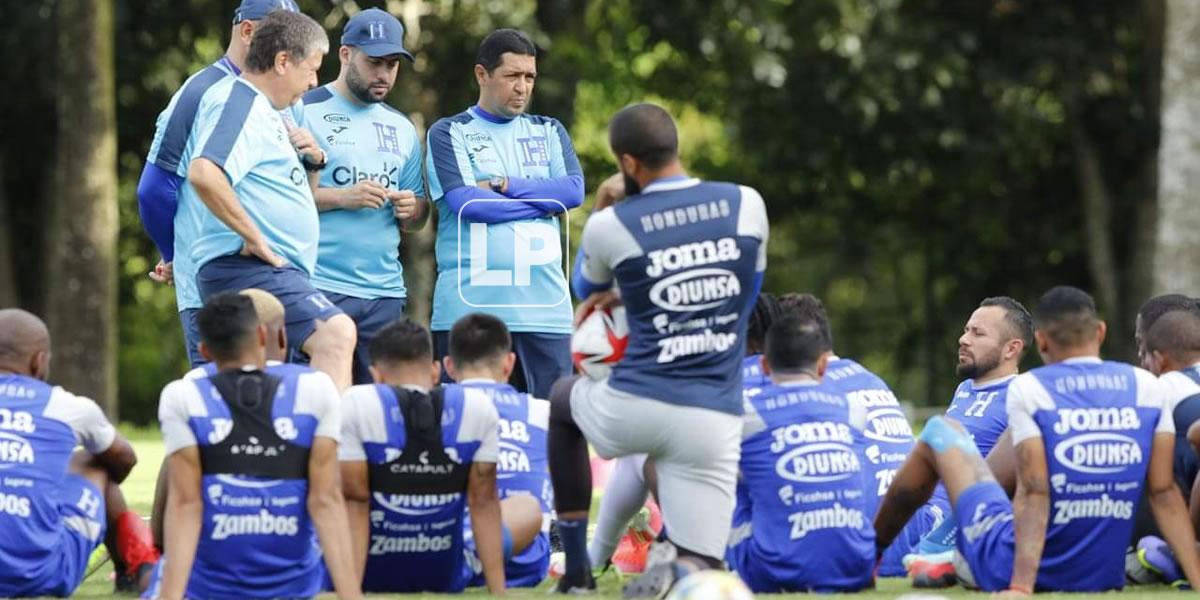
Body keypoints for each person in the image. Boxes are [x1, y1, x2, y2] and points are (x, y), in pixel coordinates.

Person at [551, 102, 768, 596]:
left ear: (628, 163)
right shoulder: (747, 204)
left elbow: (586, 284)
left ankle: (579, 570)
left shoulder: (614, 223)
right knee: (707, 567)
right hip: (713, 415)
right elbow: (744, 300)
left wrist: (609, 207)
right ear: (676, 148)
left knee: (563, 401)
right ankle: (682, 569)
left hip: (637, 403)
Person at [873, 286, 1200, 593]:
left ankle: (876, 555)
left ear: (1040, 341)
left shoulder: (1032, 389)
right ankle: (945, 557)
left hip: (1017, 564)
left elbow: (1034, 491)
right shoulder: (1145, 386)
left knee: (939, 430)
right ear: (1099, 332)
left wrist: (1020, 587)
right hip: (1102, 571)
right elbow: (1164, 494)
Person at [186, 10, 359, 391]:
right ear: (283, 61)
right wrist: (254, 235)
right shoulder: (241, 101)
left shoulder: (269, 113)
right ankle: (333, 451)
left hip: (273, 271)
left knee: (274, 387)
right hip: (247, 267)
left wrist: (312, 162)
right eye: (312, 69)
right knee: (336, 333)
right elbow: (204, 173)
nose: (314, 81)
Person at [150, 293, 361, 600]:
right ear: (265, 335)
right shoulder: (316, 388)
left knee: (151, 578)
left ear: (205, 351)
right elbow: (325, 500)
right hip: (294, 589)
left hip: (206, 589)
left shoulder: (183, 394)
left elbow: (185, 504)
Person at [136, 0, 300, 366]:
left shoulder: (288, 98)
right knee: (224, 409)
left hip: (286, 285)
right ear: (247, 31)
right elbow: (154, 189)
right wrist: (174, 255)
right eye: (283, 36)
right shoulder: (200, 91)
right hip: (216, 291)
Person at [425, 28, 584, 400]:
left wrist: (502, 184)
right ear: (482, 75)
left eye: (529, 77)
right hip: (468, 313)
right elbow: (467, 203)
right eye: (512, 76)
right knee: (465, 432)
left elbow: (573, 192)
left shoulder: (549, 131)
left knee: (548, 437)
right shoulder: (450, 132)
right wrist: (543, 202)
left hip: (545, 313)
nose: (522, 87)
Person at [338, 319, 542, 594]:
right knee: (527, 508)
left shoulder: (356, 403)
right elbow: (484, 502)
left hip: (372, 567)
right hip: (445, 567)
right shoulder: (475, 408)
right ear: (435, 372)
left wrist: (351, 590)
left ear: (377, 376)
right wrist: (498, 592)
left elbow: (355, 501)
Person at [585, 293, 782, 575]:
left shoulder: (708, 384)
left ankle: (595, 558)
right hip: (801, 535)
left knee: (645, 446)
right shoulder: (794, 382)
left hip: (732, 541)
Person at [300, 8, 429, 385]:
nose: (383, 74)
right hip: (317, 284)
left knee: (379, 411)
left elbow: (418, 219)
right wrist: (343, 197)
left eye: (392, 64)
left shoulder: (402, 128)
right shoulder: (303, 110)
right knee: (322, 404)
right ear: (344, 55)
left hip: (383, 293)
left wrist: (413, 208)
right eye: (374, 62)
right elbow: (276, 201)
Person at [0, 309, 158, 596]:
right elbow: (125, 459)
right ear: (39, 362)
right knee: (98, 461)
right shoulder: (66, 406)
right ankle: (136, 570)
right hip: (43, 573)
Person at [727, 315, 875, 592]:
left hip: (771, 572)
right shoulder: (853, 409)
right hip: (857, 565)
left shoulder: (746, 412)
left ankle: (693, 559)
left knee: (717, 473)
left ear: (764, 366)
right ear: (822, 366)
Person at [902, 296, 1033, 585]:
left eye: (978, 333)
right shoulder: (964, 389)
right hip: (920, 505)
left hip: (948, 519)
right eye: (966, 330)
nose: (964, 339)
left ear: (1012, 348)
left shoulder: (1023, 394)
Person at [149, 288, 290, 551]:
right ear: (281, 337)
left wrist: (157, 548)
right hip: (288, 545)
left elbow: (177, 487)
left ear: (205, 350)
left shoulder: (193, 385)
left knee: (178, 454)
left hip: (214, 542)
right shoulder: (313, 387)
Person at [444, 313, 552, 587]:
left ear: (448, 366)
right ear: (509, 363)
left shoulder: (433, 405)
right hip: (523, 558)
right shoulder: (541, 411)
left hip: (437, 540)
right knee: (527, 508)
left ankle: (463, 557)